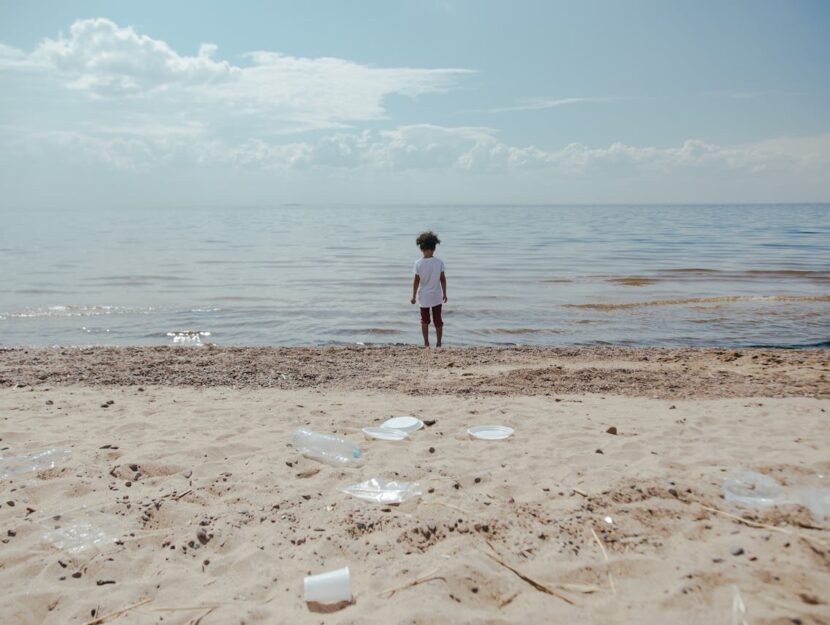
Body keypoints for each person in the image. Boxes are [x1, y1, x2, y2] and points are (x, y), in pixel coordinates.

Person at [411, 230, 447, 348]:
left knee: (424, 320)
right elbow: (442, 279)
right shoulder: (439, 262)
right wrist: (445, 294)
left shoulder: (418, 263)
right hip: (436, 296)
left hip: (424, 297)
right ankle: (439, 343)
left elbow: (416, 281)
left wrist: (413, 296)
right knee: (438, 320)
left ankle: (426, 343)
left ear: (421, 248)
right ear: (434, 248)